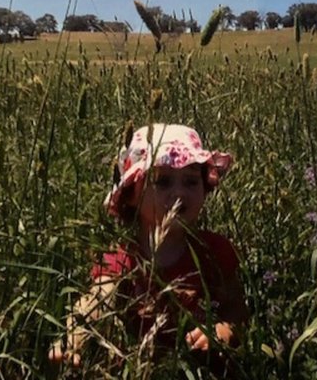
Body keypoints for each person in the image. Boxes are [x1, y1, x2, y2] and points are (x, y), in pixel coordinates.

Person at [49, 123, 248, 370]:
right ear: (132, 195)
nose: (179, 192)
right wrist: (75, 336)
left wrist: (224, 330)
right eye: (163, 182)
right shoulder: (121, 259)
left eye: (191, 182)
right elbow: (96, 300)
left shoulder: (214, 251)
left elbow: (236, 307)